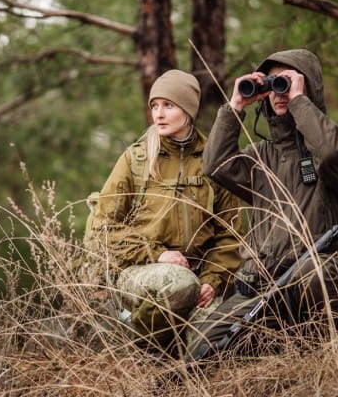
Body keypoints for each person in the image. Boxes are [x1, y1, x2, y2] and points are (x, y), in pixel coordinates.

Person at [186, 49, 338, 359]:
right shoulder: (261, 157)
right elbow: (214, 165)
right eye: (273, 85)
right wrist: (236, 106)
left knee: (313, 270)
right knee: (201, 350)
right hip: (263, 286)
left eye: (286, 81)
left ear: (308, 86)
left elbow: (332, 151)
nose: (278, 92)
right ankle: (273, 353)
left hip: (317, 274)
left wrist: (298, 100)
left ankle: (331, 359)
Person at [87, 69, 242, 357]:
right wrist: (156, 253)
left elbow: (230, 235)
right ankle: (150, 357)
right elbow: (101, 228)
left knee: (213, 344)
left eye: (168, 105)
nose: (158, 113)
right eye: (155, 106)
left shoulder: (213, 160)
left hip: (198, 279)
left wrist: (212, 280)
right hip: (139, 272)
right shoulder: (136, 159)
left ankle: (179, 361)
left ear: (188, 110)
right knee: (178, 284)